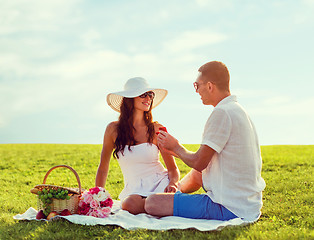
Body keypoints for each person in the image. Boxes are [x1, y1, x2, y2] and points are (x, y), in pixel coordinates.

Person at [144, 61, 266, 222]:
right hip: (247, 204)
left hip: (228, 208)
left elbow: (199, 162)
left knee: (152, 203)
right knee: (199, 174)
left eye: (197, 85)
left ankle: (171, 197)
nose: (197, 91)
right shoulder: (236, 109)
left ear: (210, 86)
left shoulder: (222, 113)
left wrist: (175, 146)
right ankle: (176, 191)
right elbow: (202, 168)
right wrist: (173, 155)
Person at [95, 77, 180, 215]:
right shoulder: (112, 129)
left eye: (150, 95)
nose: (148, 98)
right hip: (134, 192)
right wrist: (97, 196)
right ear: (130, 99)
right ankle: (159, 207)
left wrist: (173, 184)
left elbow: (172, 169)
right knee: (129, 204)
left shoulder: (157, 129)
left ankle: (161, 205)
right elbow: (103, 168)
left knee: (145, 203)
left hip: (161, 185)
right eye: (143, 94)